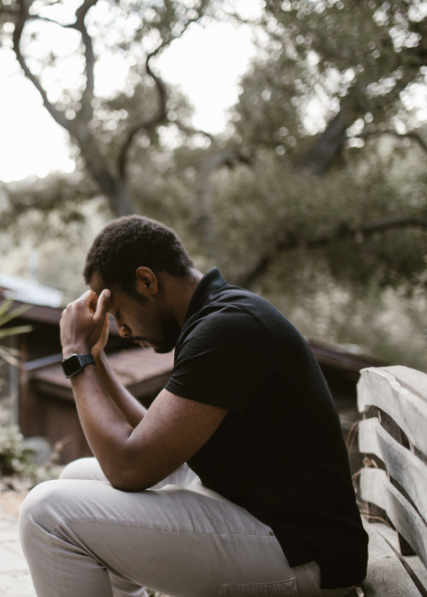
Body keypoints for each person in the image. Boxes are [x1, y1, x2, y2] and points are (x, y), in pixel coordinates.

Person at [19, 215, 367, 597]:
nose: (122, 329)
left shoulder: (229, 327)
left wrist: (75, 355)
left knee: (46, 513)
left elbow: (129, 467)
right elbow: (148, 441)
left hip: (305, 556)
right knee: (76, 477)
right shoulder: (215, 316)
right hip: (259, 517)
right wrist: (96, 359)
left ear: (147, 281)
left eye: (117, 312)